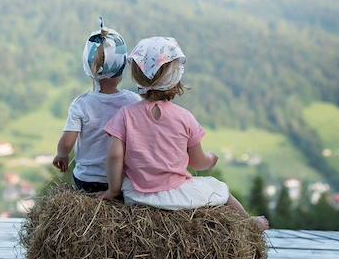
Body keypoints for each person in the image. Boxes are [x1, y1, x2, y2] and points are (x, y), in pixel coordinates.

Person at [101, 36, 269, 231]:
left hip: (137, 195)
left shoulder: (125, 115)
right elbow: (198, 162)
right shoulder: (185, 117)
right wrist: (211, 159)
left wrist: (113, 190)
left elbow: (114, 156)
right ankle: (249, 223)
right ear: (175, 77)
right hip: (175, 194)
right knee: (220, 189)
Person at [52, 18, 141, 193]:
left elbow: (67, 142)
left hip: (86, 180)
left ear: (89, 69)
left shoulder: (81, 104)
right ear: (122, 68)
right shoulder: (134, 102)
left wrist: (62, 155)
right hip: (119, 179)